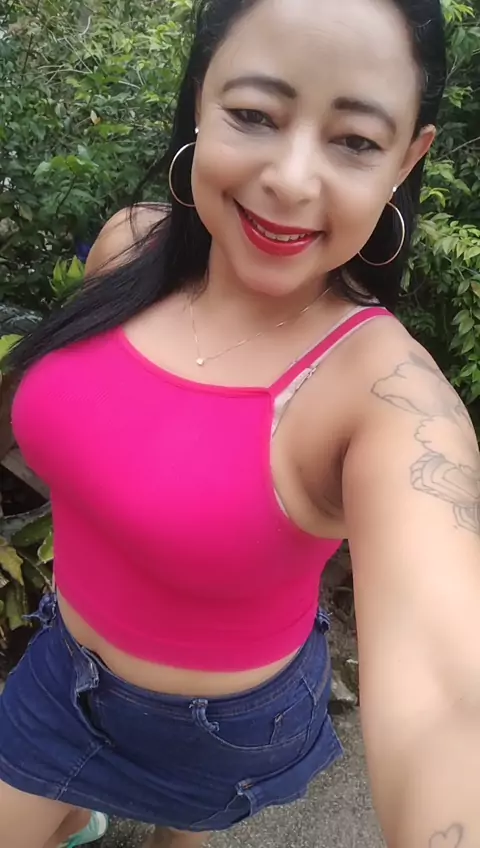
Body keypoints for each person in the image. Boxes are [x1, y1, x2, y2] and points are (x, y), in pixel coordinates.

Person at [1, 0, 480, 845]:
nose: (291, 180)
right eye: (255, 115)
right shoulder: (129, 250)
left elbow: (448, 696)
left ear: (408, 158)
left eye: (355, 140)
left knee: (181, 831)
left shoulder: (388, 399)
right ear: (201, 99)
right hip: (58, 665)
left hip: (219, 730)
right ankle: (79, 807)